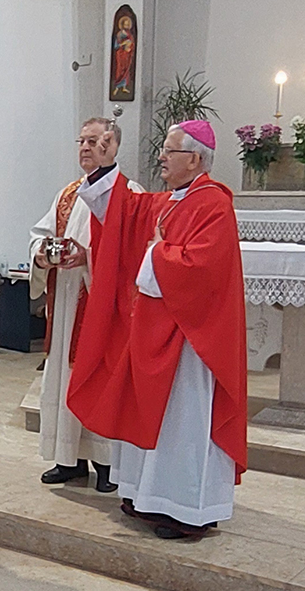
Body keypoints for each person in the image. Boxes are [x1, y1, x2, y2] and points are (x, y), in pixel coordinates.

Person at [66, 120, 247, 539]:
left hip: (190, 338)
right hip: (153, 329)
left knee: (182, 421)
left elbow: (202, 268)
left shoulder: (213, 204)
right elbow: (122, 213)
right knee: (149, 414)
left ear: (195, 159)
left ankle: (186, 510)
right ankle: (144, 495)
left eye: (170, 150)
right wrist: (104, 165)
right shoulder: (170, 200)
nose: (161, 157)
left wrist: (155, 253)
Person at [29, 117, 132, 493]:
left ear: (114, 146)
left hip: (100, 309)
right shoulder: (68, 194)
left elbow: (131, 253)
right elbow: (40, 234)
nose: (86, 147)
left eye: (96, 141)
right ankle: (68, 459)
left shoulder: (127, 193)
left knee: (98, 381)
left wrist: (87, 258)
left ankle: (106, 463)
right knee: (63, 378)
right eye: (82, 141)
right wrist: (43, 255)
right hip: (66, 305)